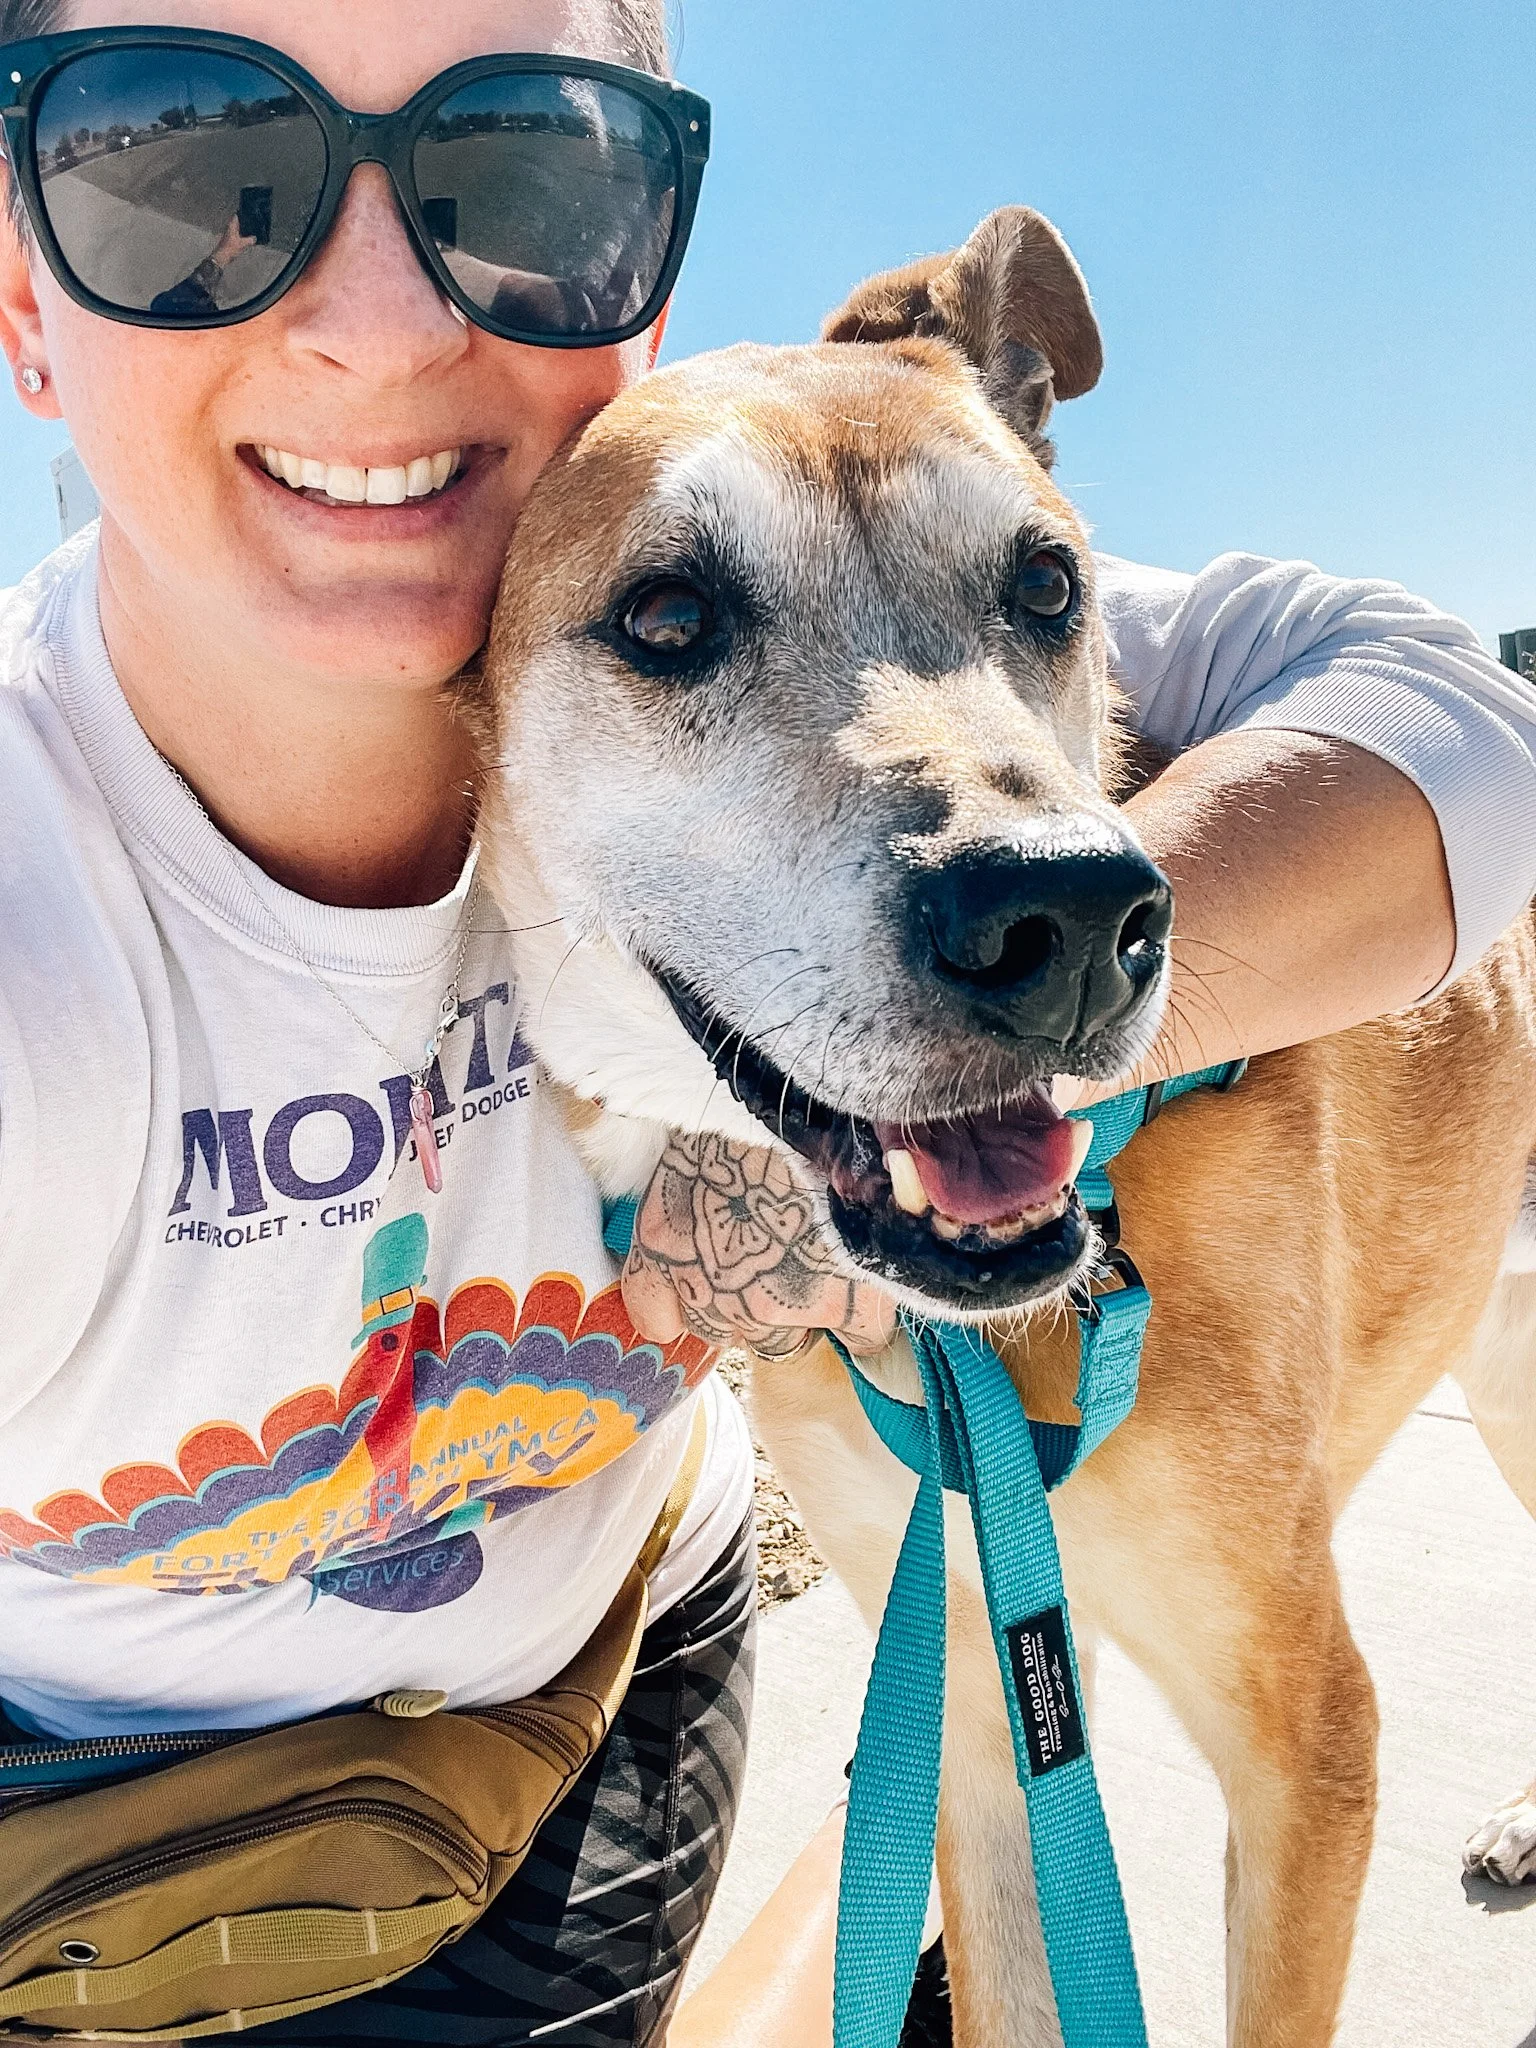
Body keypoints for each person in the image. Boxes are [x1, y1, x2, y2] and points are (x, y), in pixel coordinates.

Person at [0, 5, 1533, 2047]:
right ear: (24, 298)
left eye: (527, 167)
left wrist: (1039, 1001)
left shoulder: (676, 517)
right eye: (184, 164)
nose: (370, 316)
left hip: (624, 1683)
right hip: (113, 1856)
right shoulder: (68, 942)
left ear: (632, 278)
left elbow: (1464, 727)